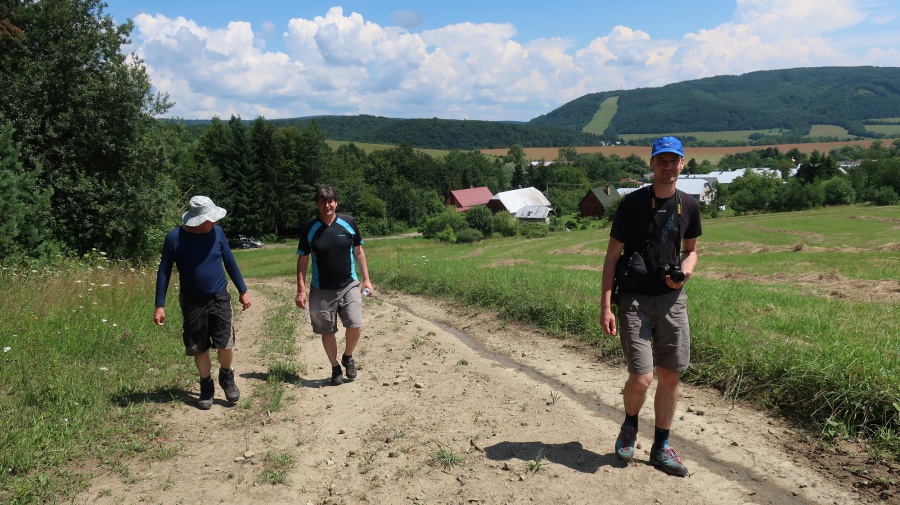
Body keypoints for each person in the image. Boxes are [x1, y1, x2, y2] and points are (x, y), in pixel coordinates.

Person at [599, 136, 701, 476]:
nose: (667, 166)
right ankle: (630, 423)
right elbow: (612, 257)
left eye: (674, 160)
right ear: (652, 163)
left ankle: (661, 446)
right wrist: (605, 306)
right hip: (635, 300)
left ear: (682, 163)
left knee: (670, 375)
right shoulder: (632, 204)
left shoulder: (689, 205)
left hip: (672, 301)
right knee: (642, 377)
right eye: (661, 160)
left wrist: (685, 271)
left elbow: (691, 250)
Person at [154, 195, 252, 410]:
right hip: (192, 301)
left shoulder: (217, 232)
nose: (215, 222)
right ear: (198, 221)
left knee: (225, 342)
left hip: (219, 296)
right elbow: (164, 272)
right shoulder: (174, 238)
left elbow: (230, 262)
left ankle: (226, 376)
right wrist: (159, 305)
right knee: (199, 346)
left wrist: (242, 290)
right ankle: (206, 386)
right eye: (211, 219)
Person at [295, 186, 374, 386]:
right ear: (317, 204)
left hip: (349, 284)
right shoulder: (310, 229)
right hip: (321, 289)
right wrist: (301, 290)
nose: (327, 205)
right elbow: (302, 260)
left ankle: (348, 356)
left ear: (336, 203)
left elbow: (359, 252)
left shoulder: (348, 223)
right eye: (322, 201)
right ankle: (335, 367)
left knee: (355, 324)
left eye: (330, 201)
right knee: (327, 331)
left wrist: (366, 279)